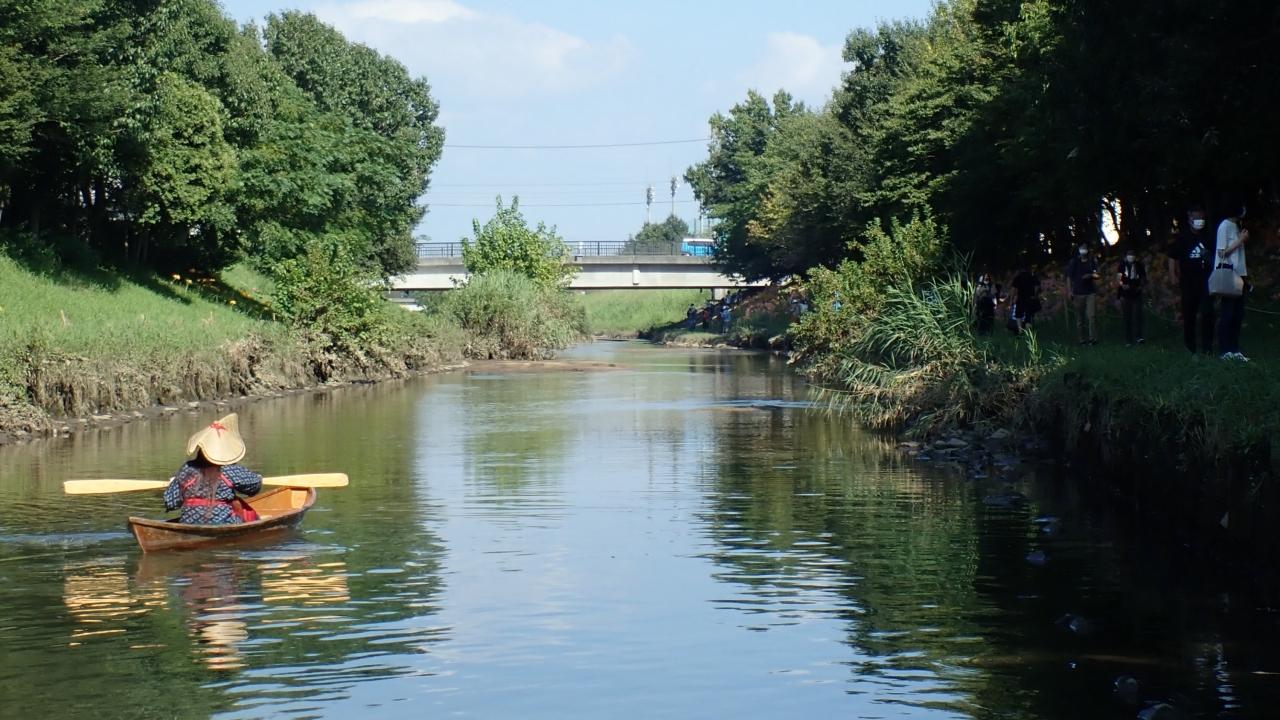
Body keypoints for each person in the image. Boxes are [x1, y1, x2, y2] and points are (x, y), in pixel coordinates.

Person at [164, 413, 262, 524]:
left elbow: (170, 502)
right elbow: (255, 487)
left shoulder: (186, 469)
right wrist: (258, 478)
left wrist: (177, 483)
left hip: (188, 523)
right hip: (224, 523)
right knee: (239, 505)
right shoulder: (229, 470)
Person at [1166, 206, 1216, 354]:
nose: (1199, 221)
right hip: (1188, 282)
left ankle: (1207, 348)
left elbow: (1215, 255)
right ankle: (1190, 347)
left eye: (1202, 218)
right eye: (1196, 218)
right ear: (1190, 219)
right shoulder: (1183, 237)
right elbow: (1172, 256)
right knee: (1189, 314)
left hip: (1206, 280)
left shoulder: (1207, 237)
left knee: (1208, 312)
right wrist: (1172, 274)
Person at [1215, 204, 1250, 361]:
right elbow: (1221, 252)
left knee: (1238, 314)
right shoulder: (1224, 226)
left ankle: (1235, 349)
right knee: (1228, 313)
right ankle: (1225, 350)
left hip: (1240, 274)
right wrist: (1240, 240)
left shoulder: (1236, 226)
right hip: (1228, 274)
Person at [1065, 243, 1100, 345]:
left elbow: (1097, 275)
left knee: (1092, 316)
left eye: (1085, 248)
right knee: (1080, 318)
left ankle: (1093, 338)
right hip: (1078, 292)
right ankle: (1081, 339)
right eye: (1082, 248)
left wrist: (1090, 275)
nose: (1084, 250)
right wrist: (1069, 291)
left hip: (1090, 292)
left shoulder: (1091, 261)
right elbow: (1069, 277)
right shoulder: (1074, 262)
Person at [1116, 251, 1146, 345]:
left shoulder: (1139, 265)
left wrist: (1140, 286)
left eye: (1133, 255)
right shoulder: (1122, 266)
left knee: (1137, 315)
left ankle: (1139, 337)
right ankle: (1128, 339)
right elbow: (1119, 279)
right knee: (1127, 317)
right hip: (1126, 294)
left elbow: (1143, 277)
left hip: (1136, 293)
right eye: (1129, 255)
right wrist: (1122, 286)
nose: (1131, 256)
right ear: (1126, 256)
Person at [1010, 268, 1042, 332]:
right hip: (1030, 298)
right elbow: (1037, 286)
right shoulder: (1032, 277)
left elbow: (1013, 289)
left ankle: (1020, 330)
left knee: (1018, 315)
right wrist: (1034, 294)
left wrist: (1011, 299)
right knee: (1028, 315)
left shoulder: (1018, 277)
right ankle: (1028, 332)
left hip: (1020, 299)